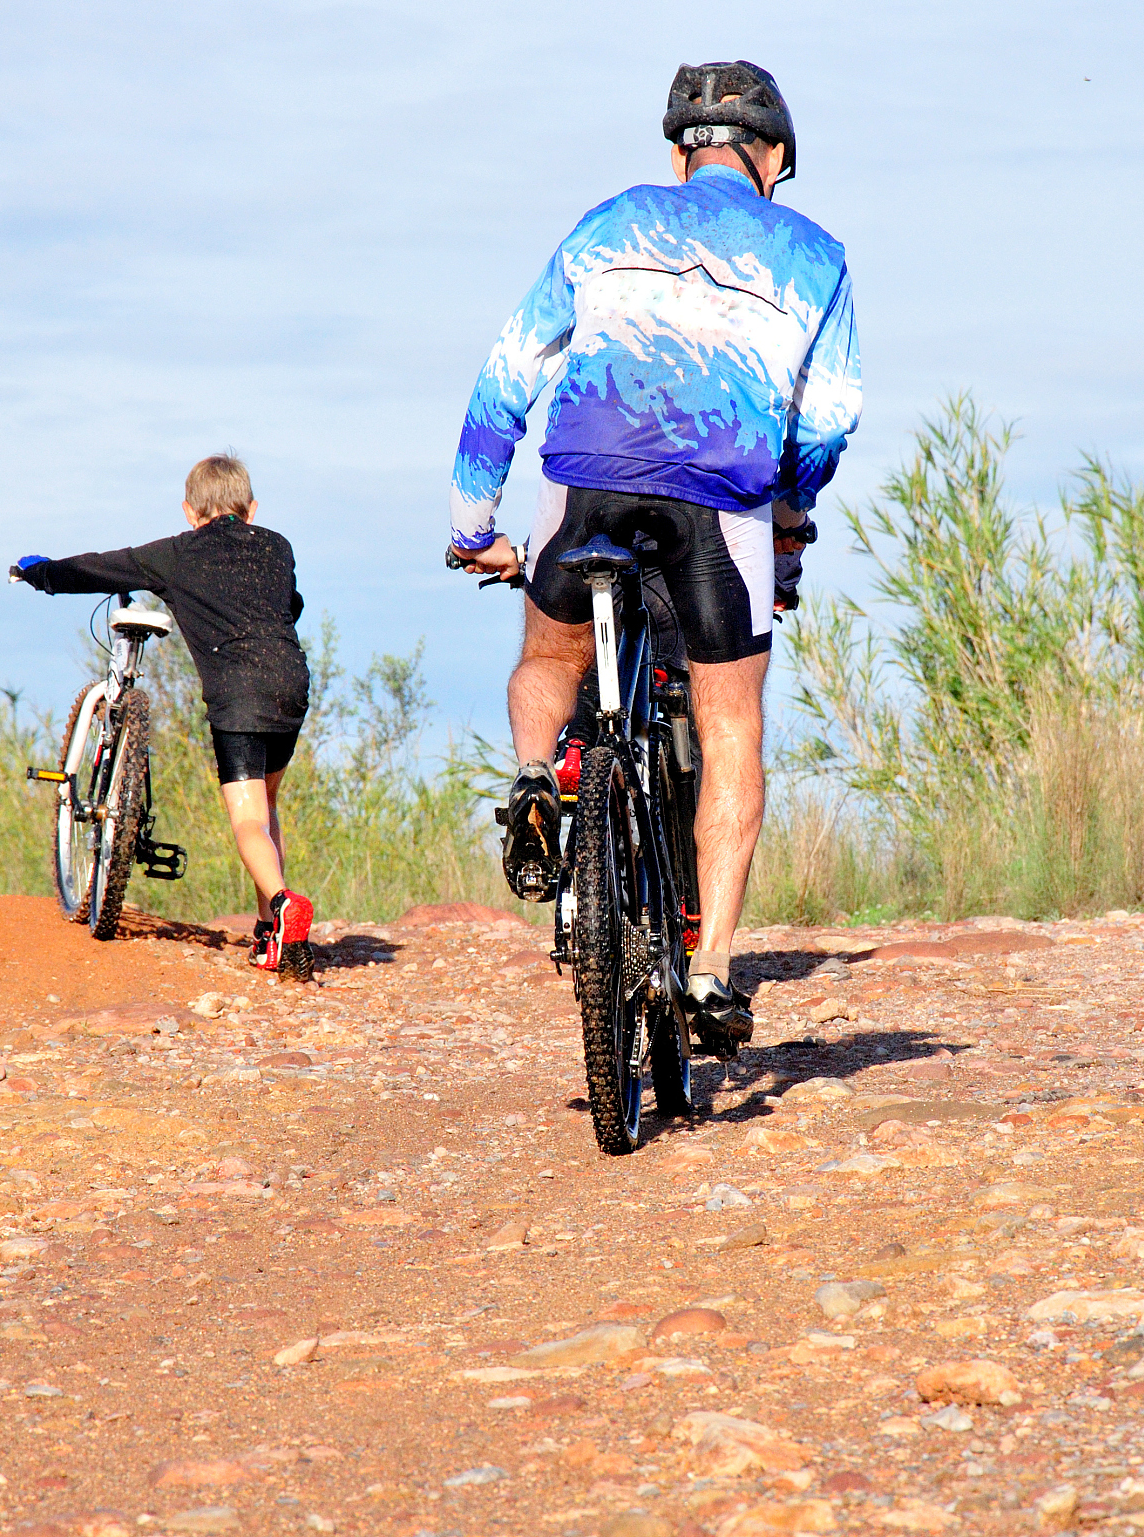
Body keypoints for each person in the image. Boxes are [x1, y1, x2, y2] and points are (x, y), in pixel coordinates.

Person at [445, 60, 862, 1049]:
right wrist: (787, 520)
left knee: (549, 660)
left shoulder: (607, 222)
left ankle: (534, 784)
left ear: (678, 153)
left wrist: (473, 524)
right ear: (773, 161)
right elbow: (829, 421)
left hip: (586, 470)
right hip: (720, 500)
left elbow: (507, 372)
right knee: (728, 728)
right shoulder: (816, 255)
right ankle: (712, 968)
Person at [10, 455, 316, 979]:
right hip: (291, 683)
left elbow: (102, 566)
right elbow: (291, 603)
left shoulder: (178, 553)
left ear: (189, 511)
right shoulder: (277, 545)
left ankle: (283, 902)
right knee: (266, 808)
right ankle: (272, 937)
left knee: (246, 818)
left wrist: (41, 573)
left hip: (238, 692)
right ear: (252, 508)